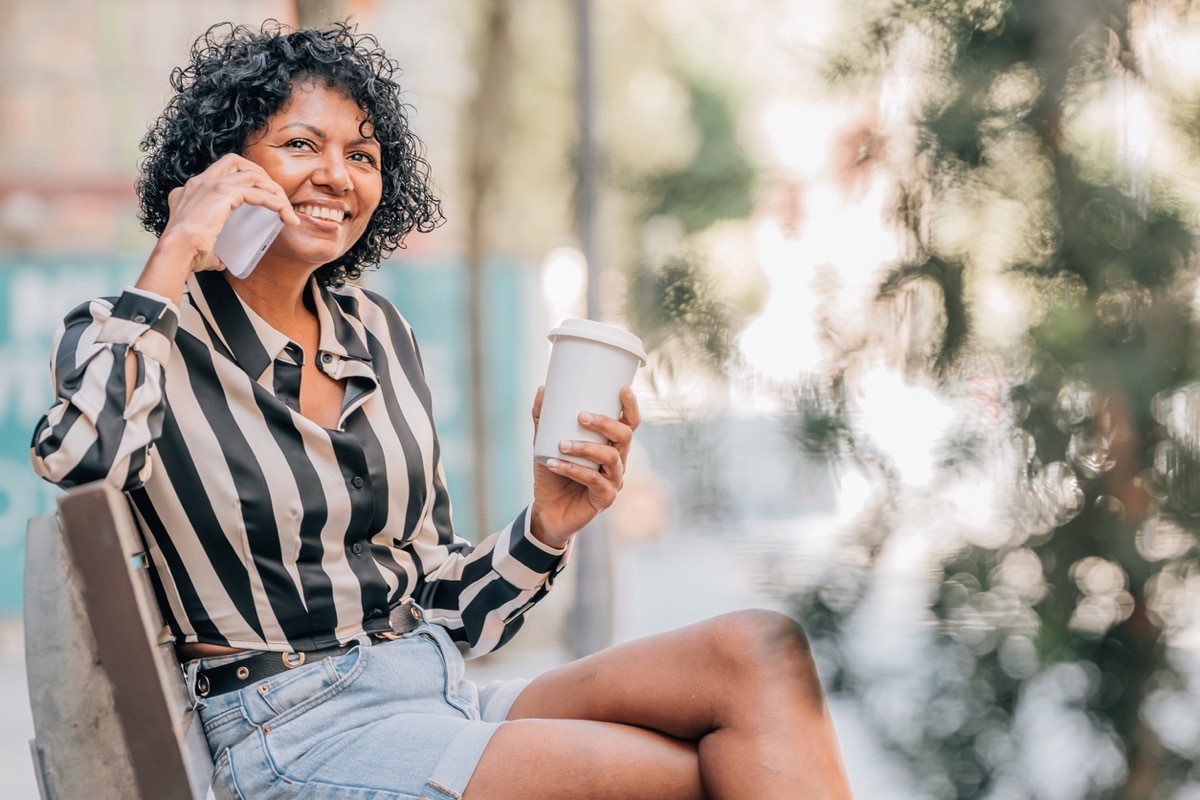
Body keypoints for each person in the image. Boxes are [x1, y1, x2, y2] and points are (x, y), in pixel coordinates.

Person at [30, 20, 853, 800]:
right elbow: (81, 460)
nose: (337, 175)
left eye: (362, 152)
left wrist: (548, 527)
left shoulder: (380, 334)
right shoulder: (140, 330)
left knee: (756, 651)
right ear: (221, 167)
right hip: (293, 730)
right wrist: (176, 250)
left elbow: (444, 603)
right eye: (299, 144)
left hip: (431, 689)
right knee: (696, 778)